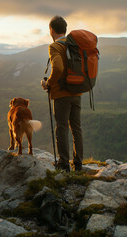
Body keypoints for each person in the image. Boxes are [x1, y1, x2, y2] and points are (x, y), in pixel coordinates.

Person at [41, 16, 83, 172]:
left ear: (51, 29)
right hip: (77, 91)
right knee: (76, 128)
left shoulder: (55, 46)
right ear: (65, 29)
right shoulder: (74, 45)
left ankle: (64, 164)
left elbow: (57, 68)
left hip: (61, 95)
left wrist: (48, 84)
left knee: (62, 128)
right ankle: (78, 164)